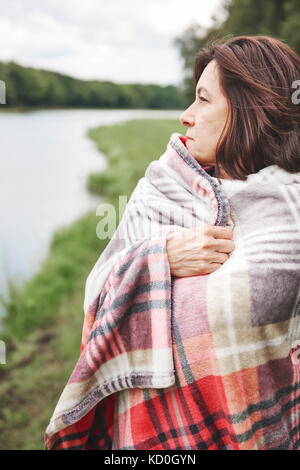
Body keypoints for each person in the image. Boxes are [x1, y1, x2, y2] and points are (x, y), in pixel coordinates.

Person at [45, 35, 300, 450]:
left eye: (203, 99)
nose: (186, 116)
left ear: (249, 106)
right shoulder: (162, 189)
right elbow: (96, 293)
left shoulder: (291, 207)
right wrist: (159, 256)